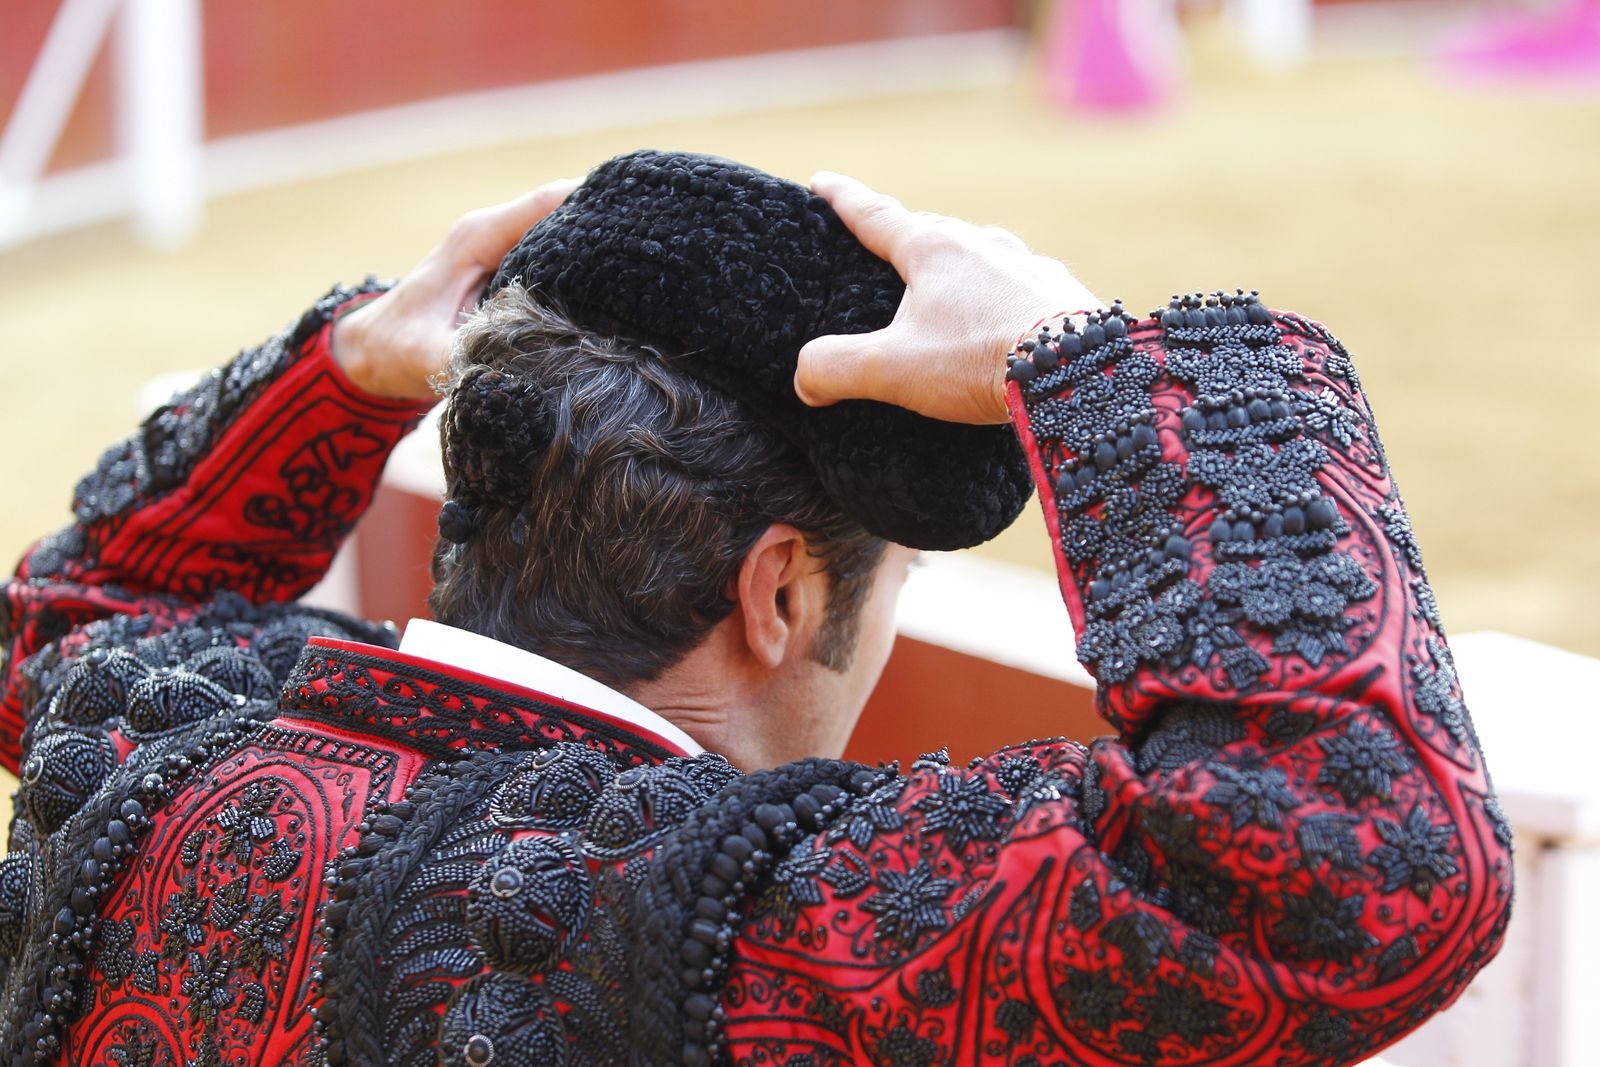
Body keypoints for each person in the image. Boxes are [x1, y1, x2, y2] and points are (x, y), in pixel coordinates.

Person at [0, 151, 1509, 1067]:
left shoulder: (151, 735)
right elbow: (1344, 868)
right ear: (778, 593)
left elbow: (83, 601)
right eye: (894, 580)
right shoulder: (731, 933)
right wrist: (1097, 364)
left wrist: (337, 373)